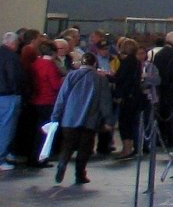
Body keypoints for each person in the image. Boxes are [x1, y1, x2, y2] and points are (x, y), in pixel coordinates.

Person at [49, 50, 113, 184]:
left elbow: (62, 97)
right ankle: (80, 174)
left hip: (69, 117)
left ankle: (62, 163)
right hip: (90, 118)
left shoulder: (71, 75)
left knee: (67, 145)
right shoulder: (100, 79)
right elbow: (104, 102)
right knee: (85, 147)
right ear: (95, 63)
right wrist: (108, 120)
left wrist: (55, 116)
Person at [18, 37, 61, 167]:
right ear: (53, 53)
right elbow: (55, 85)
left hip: (35, 100)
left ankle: (32, 156)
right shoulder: (50, 66)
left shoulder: (35, 63)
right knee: (45, 132)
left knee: (36, 130)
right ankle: (40, 158)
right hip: (47, 101)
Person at [111, 38, 146, 157]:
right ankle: (129, 147)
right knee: (131, 123)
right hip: (135, 96)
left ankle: (126, 149)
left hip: (127, 97)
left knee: (124, 123)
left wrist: (107, 76)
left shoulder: (127, 62)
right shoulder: (136, 62)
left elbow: (120, 79)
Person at [151, 31, 173, 148]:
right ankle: (169, 138)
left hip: (161, 89)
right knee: (169, 115)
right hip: (169, 90)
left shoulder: (160, 54)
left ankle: (161, 138)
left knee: (162, 114)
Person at [0, 31, 21, 171]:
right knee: (6, 128)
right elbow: (14, 77)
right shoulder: (12, 57)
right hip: (8, 95)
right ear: (13, 43)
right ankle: (1, 158)